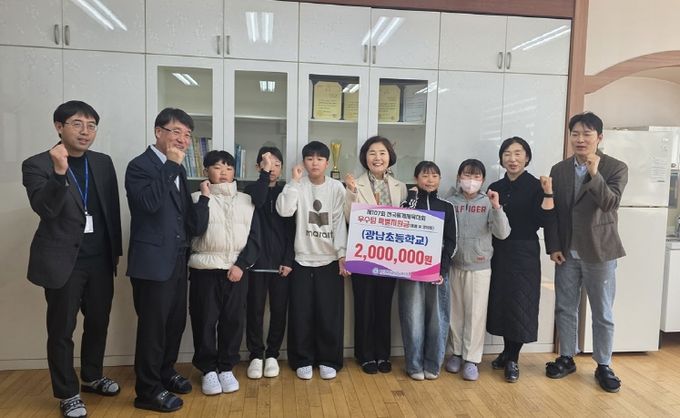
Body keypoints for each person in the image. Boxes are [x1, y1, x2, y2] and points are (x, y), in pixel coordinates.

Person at [22, 100, 122, 418]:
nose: (85, 131)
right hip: (64, 262)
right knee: (62, 331)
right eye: (77, 124)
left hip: (100, 261)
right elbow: (45, 208)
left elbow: (111, 211)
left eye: (91, 125)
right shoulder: (37, 164)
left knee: (98, 323)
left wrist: (115, 255)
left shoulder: (103, 163)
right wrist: (59, 173)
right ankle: (68, 393)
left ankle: (92, 377)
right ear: (59, 127)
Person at [125, 108, 210, 412]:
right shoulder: (139, 166)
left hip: (176, 259)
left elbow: (187, 219)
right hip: (151, 262)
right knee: (153, 328)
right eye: (176, 132)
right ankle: (147, 391)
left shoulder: (178, 170)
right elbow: (148, 204)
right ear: (158, 132)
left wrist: (205, 201)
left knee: (174, 323)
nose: (183, 139)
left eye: (187, 134)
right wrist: (171, 165)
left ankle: (164, 372)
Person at [544, 112, 628, 393]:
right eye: (575, 134)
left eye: (587, 134)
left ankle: (604, 364)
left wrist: (594, 173)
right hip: (567, 251)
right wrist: (554, 245)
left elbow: (610, 204)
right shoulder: (559, 169)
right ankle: (567, 357)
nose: (580, 139)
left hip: (600, 250)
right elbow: (553, 211)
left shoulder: (615, 167)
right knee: (565, 306)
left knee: (602, 311)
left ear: (599, 137)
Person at [188, 150, 261, 395]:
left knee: (233, 321)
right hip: (205, 270)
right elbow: (194, 229)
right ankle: (208, 370)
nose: (223, 173)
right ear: (206, 170)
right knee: (204, 321)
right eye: (217, 167)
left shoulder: (247, 200)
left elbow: (255, 239)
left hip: (237, 270)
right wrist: (205, 198)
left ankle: (226, 367)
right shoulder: (195, 198)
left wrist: (241, 265)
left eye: (229, 168)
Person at [276, 140, 349, 380]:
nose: (314, 163)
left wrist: (341, 254)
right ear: (303, 162)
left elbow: (339, 222)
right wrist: (293, 182)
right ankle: (302, 359)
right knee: (301, 312)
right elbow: (284, 211)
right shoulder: (298, 185)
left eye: (319, 159)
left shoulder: (336, 187)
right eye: (309, 158)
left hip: (329, 259)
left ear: (327, 163)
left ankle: (329, 359)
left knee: (329, 313)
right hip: (301, 259)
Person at [485, 137, 554, 383]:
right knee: (502, 302)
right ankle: (506, 351)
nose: (512, 159)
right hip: (499, 251)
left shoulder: (536, 186)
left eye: (518, 153)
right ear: (501, 158)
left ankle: (513, 358)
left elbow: (544, 220)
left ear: (527, 157)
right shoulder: (495, 186)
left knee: (521, 304)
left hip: (524, 251)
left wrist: (548, 192)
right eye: (507, 154)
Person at [343, 136, 408, 374]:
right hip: (363, 254)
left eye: (382, 153)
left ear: (390, 157)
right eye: (372, 153)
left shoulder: (400, 187)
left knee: (384, 305)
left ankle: (383, 353)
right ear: (365, 157)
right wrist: (351, 192)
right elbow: (348, 218)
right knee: (364, 305)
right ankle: (365, 354)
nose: (377, 158)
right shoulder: (355, 183)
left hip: (390, 257)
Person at [444, 159, 510, 381]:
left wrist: (497, 207)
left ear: (482, 180)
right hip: (454, 265)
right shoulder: (450, 202)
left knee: (476, 314)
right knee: (455, 313)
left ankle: (471, 359)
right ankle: (456, 353)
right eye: (466, 175)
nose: (470, 181)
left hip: (480, 266)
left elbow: (502, 233)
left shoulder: (488, 202)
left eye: (476, 176)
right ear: (459, 177)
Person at [399, 161, 457, 381]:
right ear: (416, 179)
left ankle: (433, 364)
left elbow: (452, 241)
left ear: (440, 179)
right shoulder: (407, 203)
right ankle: (414, 365)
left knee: (437, 319)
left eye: (434, 176)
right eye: (425, 175)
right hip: (410, 270)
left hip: (437, 272)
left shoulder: (447, 206)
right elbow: (401, 228)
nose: (430, 180)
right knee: (412, 317)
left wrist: (442, 269)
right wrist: (412, 198)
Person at [244, 147, 295, 380]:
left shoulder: (287, 191)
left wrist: (288, 259)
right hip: (255, 262)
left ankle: (273, 353)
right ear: (258, 167)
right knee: (254, 310)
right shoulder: (251, 190)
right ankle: (256, 355)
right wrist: (264, 176)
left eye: (276, 164)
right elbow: (259, 199)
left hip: (281, 264)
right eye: (266, 164)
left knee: (279, 310)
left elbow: (291, 229)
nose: (272, 168)